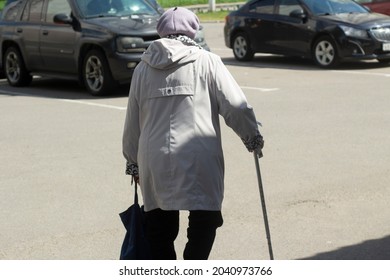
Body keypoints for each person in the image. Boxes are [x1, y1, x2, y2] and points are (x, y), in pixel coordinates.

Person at [122, 7, 264, 260]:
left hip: (153, 158)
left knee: (159, 229)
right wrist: (251, 136)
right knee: (205, 219)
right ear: (193, 30)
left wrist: (133, 162)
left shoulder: (142, 69)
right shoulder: (207, 61)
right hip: (198, 154)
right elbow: (235, 106)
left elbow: (132, 121)